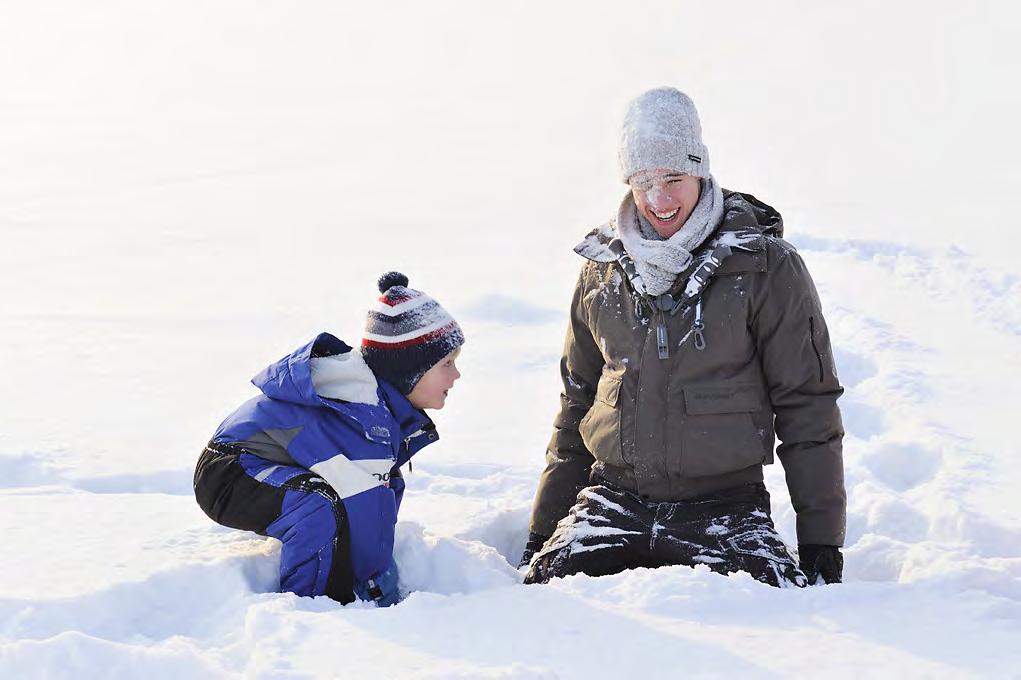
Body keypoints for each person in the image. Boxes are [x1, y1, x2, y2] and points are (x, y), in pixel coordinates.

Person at [520, 87, 845, 588]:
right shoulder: (600, 272)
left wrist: (821, 540)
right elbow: (576, 404)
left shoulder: (765, 267)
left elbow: (808, 404)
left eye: (673, 177)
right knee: (544, 588)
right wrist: (542, 532)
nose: (658, 199)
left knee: (773, 600)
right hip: (613, 500)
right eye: (643, 181)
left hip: (725, 506)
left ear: (699, 169)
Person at [194, 272, 463, 606]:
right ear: (409, 372)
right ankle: (315, 608)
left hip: (259, 461)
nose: (456, 375)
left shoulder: (378, 409)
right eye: (446, 364)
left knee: (380, 486)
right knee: (318, 505)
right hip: (232, 471)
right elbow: (363, 512)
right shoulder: (363, 411)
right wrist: (379, 594)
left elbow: (375, 508)